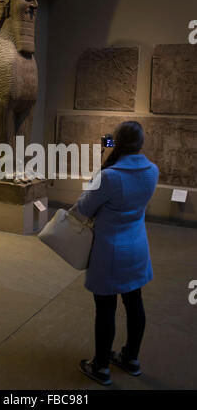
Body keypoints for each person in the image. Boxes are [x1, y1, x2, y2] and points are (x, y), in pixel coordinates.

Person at [77, 121, 159, 386]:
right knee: (135, 304)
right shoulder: (152, 171)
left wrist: (101, 161)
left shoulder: (110, 176)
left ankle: (101, 367)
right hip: (137, 247)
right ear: (140, 144)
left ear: (117, 142)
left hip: (110, 251)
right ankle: (131, 359)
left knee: (106, 308)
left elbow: (83, 208)